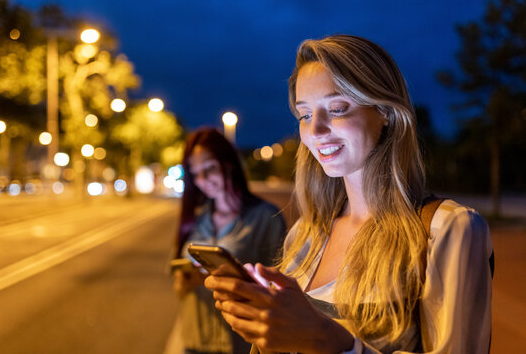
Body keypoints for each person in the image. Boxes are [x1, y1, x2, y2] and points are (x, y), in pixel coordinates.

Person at [204, 35, 493, 353]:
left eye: (338, 108)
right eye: (305, 115)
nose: (315, 131)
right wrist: (264, 328)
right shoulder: (305, 235)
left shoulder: (448, 230)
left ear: (385, 111)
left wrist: (330, 340)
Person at [170, 127, 287, 354]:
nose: (203, 180)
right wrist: (184, 282)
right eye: (195, 173)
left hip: (240, 344)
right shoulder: (194, 219)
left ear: (229, 163)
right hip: (194, 342)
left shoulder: (266, 217)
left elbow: (280, 288)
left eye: (210, 168)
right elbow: (179, 289)